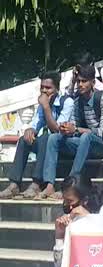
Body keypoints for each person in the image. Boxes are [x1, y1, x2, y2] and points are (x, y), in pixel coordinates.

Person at [0, 72, 74, 200]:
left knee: (46, 137)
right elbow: (36, 124)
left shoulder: (67, 102)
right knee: (24, 140)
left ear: (57, 88)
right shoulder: (43, 102)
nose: (44, 91)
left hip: (63, 144)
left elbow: (57, 131)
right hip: (46, 145)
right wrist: (30, 130)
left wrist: (46, 107)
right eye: (42, 87)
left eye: (48, 88)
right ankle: (14, 184)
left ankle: (36, 184)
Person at [45, 66, 103, 194]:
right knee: (54, 138)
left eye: (84, 81)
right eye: (78, 81)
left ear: (93, 83)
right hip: (84, 143)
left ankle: (69, 185)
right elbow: (74, 127)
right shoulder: (77, 102)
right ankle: (49, 184)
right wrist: (66, 129)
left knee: (85, 137)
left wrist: (76, 129)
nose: (80, 85)